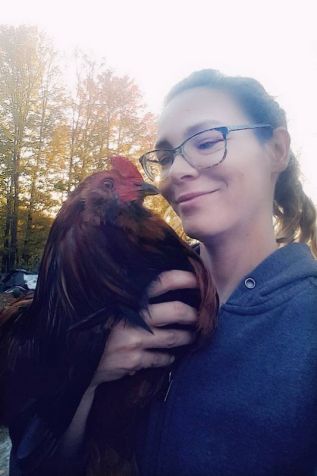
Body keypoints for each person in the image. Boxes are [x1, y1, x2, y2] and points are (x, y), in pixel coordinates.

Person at [9, 69, 317, 476]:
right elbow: (33, 463)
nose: (178, 171)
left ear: (276, 149)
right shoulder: (122, 291)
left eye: (207, 142)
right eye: (167, 157)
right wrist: (85, 379)